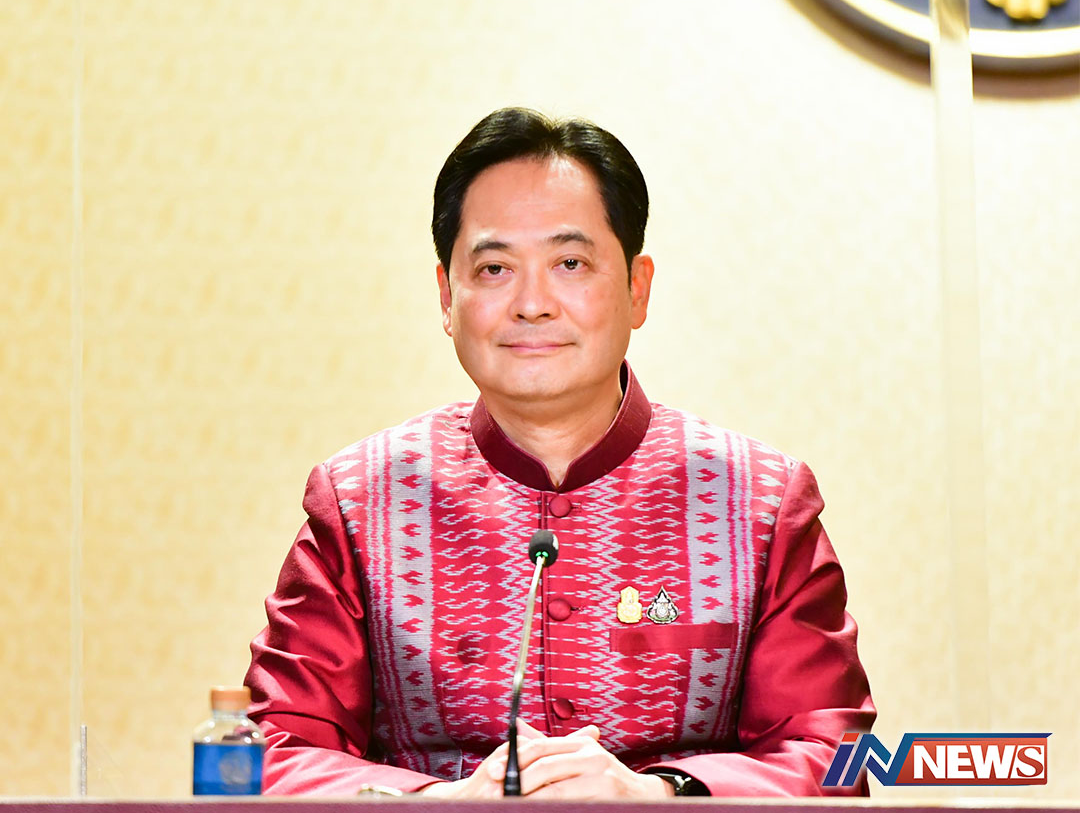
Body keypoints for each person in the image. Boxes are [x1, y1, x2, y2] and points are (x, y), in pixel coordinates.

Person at [244, 107, 875, 798]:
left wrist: (660, 795)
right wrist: (442, 803)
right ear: (447, 297)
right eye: (494, 268)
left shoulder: (760, 503)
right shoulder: (360, 502)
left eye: (570, 263)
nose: (532, 303)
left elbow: (838, 757)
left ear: (637, 289)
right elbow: (275, 753)